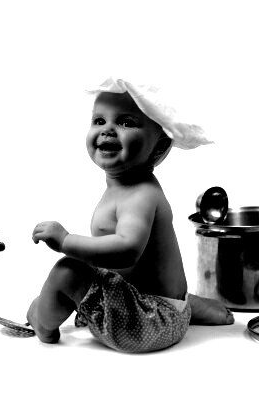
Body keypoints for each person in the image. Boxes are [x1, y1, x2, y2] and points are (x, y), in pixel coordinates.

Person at [27, 78, 233, 352]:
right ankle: (188, 305)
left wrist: (66, 241)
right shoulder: (131, 186)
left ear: (159, 147)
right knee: (93, 268)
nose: (108, 130)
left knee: (67, 272)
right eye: (99, 120)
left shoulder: (140, 196)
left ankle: (42, 322)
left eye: (125, 122)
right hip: (166, 307)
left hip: (148, 324)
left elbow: (126, 251)